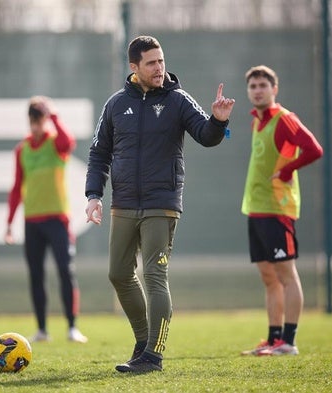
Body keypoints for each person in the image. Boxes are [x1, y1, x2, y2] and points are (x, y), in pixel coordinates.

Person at [85, 35, 235, 373]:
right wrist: (93, 195)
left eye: (162, 61)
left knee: (154, 274)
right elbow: (98, 154)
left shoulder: (178, 100)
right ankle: (143, 342)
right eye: (151, 63)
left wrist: (219, 121)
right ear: (134, 67)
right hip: (122, 203)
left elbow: (206, 136)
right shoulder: (115, 105)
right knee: (119, 274)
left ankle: (154, 355)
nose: (160, 68)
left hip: (161, 204)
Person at [240, 65, 323, 356]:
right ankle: (274, 338)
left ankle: (289, 341)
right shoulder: (257, 122)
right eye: (253, 86)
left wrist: (288, 170)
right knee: (268, 276)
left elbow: (314, 149)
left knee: (286, 274)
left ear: (274, 89)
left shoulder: (284, 119)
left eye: (263, 85)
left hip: (278, 209)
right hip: (257, 209)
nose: (258, 90)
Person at [5, 96, 88, 344]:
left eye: (40, 120)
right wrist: (9, 222)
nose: (36, 125)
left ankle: (72, 327)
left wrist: (54, 115)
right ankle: (42, 329)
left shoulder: (55, 144)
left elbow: (69, 142)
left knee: (65, 270)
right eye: (33, 120)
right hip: (32, 221)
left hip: (57, 219)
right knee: (36, 275)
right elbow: (17, 187)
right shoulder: (22, 150)